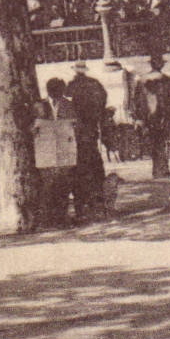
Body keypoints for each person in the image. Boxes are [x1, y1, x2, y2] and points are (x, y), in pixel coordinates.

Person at [67, 62, 109, 221]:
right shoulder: (95, 84)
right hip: (90, 129)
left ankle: (83, 202)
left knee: (80, 166)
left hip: (78, 131)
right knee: (94, 163)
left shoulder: (70, 87)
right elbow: (102, 103)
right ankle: (97, 200)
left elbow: (66, 108)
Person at [134, 53, 170, 179]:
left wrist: (140, 117)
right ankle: (161, 169)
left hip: (149, 114)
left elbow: (137, 100)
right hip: (161, 114)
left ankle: (159, 169)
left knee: (157, 142)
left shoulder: (142, 80)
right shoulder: (166, 80)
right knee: (161, 142)